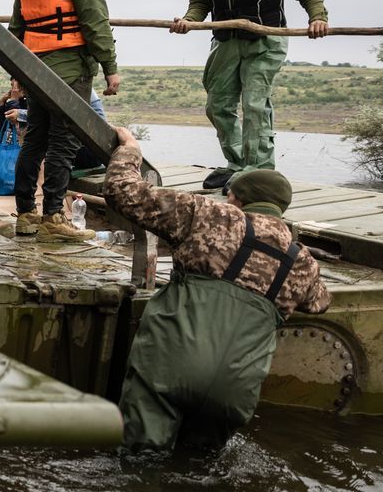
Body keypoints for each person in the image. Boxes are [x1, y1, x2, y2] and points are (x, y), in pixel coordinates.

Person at [105, 126, 329, 453]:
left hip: (171, 365)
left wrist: (130, 149)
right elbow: (318, 303)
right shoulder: (302, 261)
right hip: (236, 387)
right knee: (201, 471)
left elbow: (123, 192)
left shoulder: (210, 215)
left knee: (139, 462)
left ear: (236, 197)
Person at [169, 0, 328, 191]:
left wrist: (318, 18)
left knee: (255, 104)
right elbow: (200, 0)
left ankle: (259, 171)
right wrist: (189, 21)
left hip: (265, 41)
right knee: (217, 104)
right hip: (226, 41)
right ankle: (238, 163)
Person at [8, 0, 122, 241]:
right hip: (71, 70)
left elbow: (17, 26)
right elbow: (95, 22)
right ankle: (54, 217)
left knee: (35, 141)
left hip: (34, 69)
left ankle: (26, 213)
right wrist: (110, 67)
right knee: (63, 143)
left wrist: (17, 73)